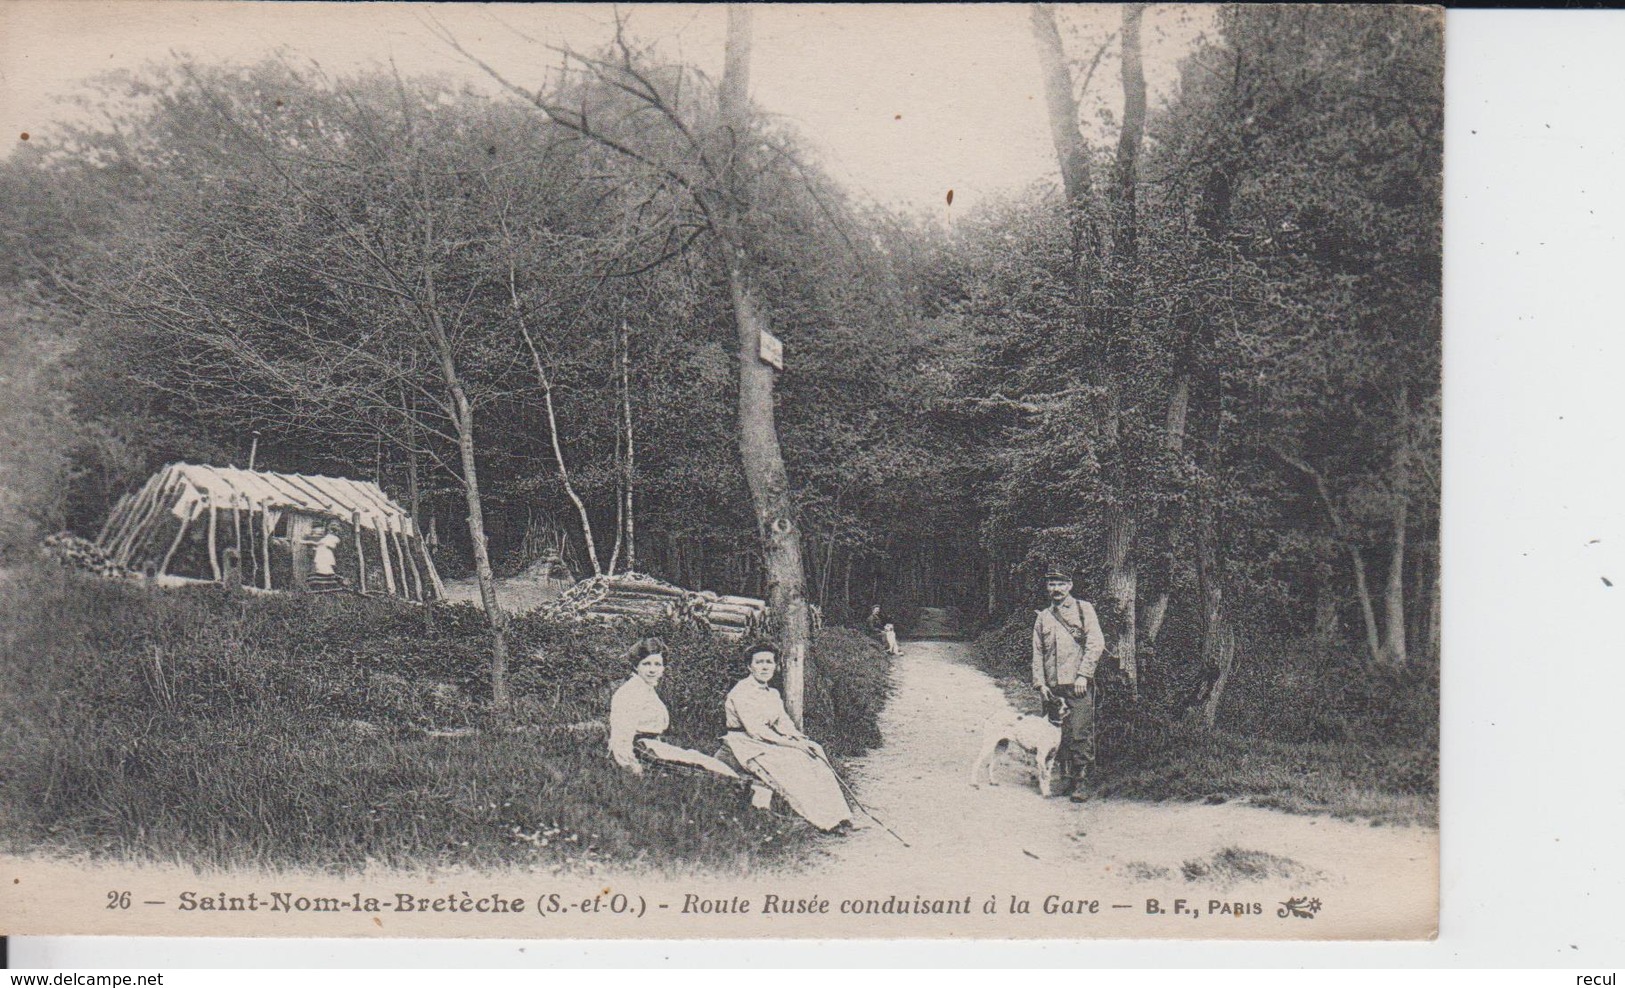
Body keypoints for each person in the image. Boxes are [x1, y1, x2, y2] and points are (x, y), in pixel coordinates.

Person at [720, 643, 854, 831]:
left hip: (767, 741)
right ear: (749, 667)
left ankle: (840, 815)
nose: (765, 667)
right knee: (793, 765)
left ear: (776, 666)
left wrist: (801, 740)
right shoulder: (742, 692)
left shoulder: (772, 693)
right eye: (759, 662)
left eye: (769, 662)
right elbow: (756, 731)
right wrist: (793, 746)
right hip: (746, 743)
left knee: (816, 754)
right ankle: (824, 822)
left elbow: (782, 722)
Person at [607, 637, 740, 780]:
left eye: (657, 664)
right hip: (641, 752)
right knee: (705, 769)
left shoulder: (646, 689)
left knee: (704, 760)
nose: (652, 670)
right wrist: (632, 767)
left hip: (653, 746)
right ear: (636, 666)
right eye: (646, 664)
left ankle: (745, 786)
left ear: (663, 667)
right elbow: (621, 737)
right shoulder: (631, 692)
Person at [1031, 567, 1106, 802]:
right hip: (1053, 688)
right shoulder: (1043, 616)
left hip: (1077, 684)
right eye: (1051, 584)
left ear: (1070, 586)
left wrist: (1084, 674)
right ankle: (1064, 779)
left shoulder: (1084, 609)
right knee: (1056, 734)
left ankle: (1081, 781)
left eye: (1060, 584)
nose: (1055, 589)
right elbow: (1037, 652)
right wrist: (1040, 684)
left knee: (1079, 731)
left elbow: (1096, 643)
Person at [304, 525, 345, 590]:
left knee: (325, 566)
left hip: (326, 553)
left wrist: (323, 545)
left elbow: (331, 546)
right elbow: (319, 543)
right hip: (321, 552)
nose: (330, 531)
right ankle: (320, 582)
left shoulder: (334, 538)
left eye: (332, 530)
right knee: (320, 565)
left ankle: (327, 582)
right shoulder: (326, 537)